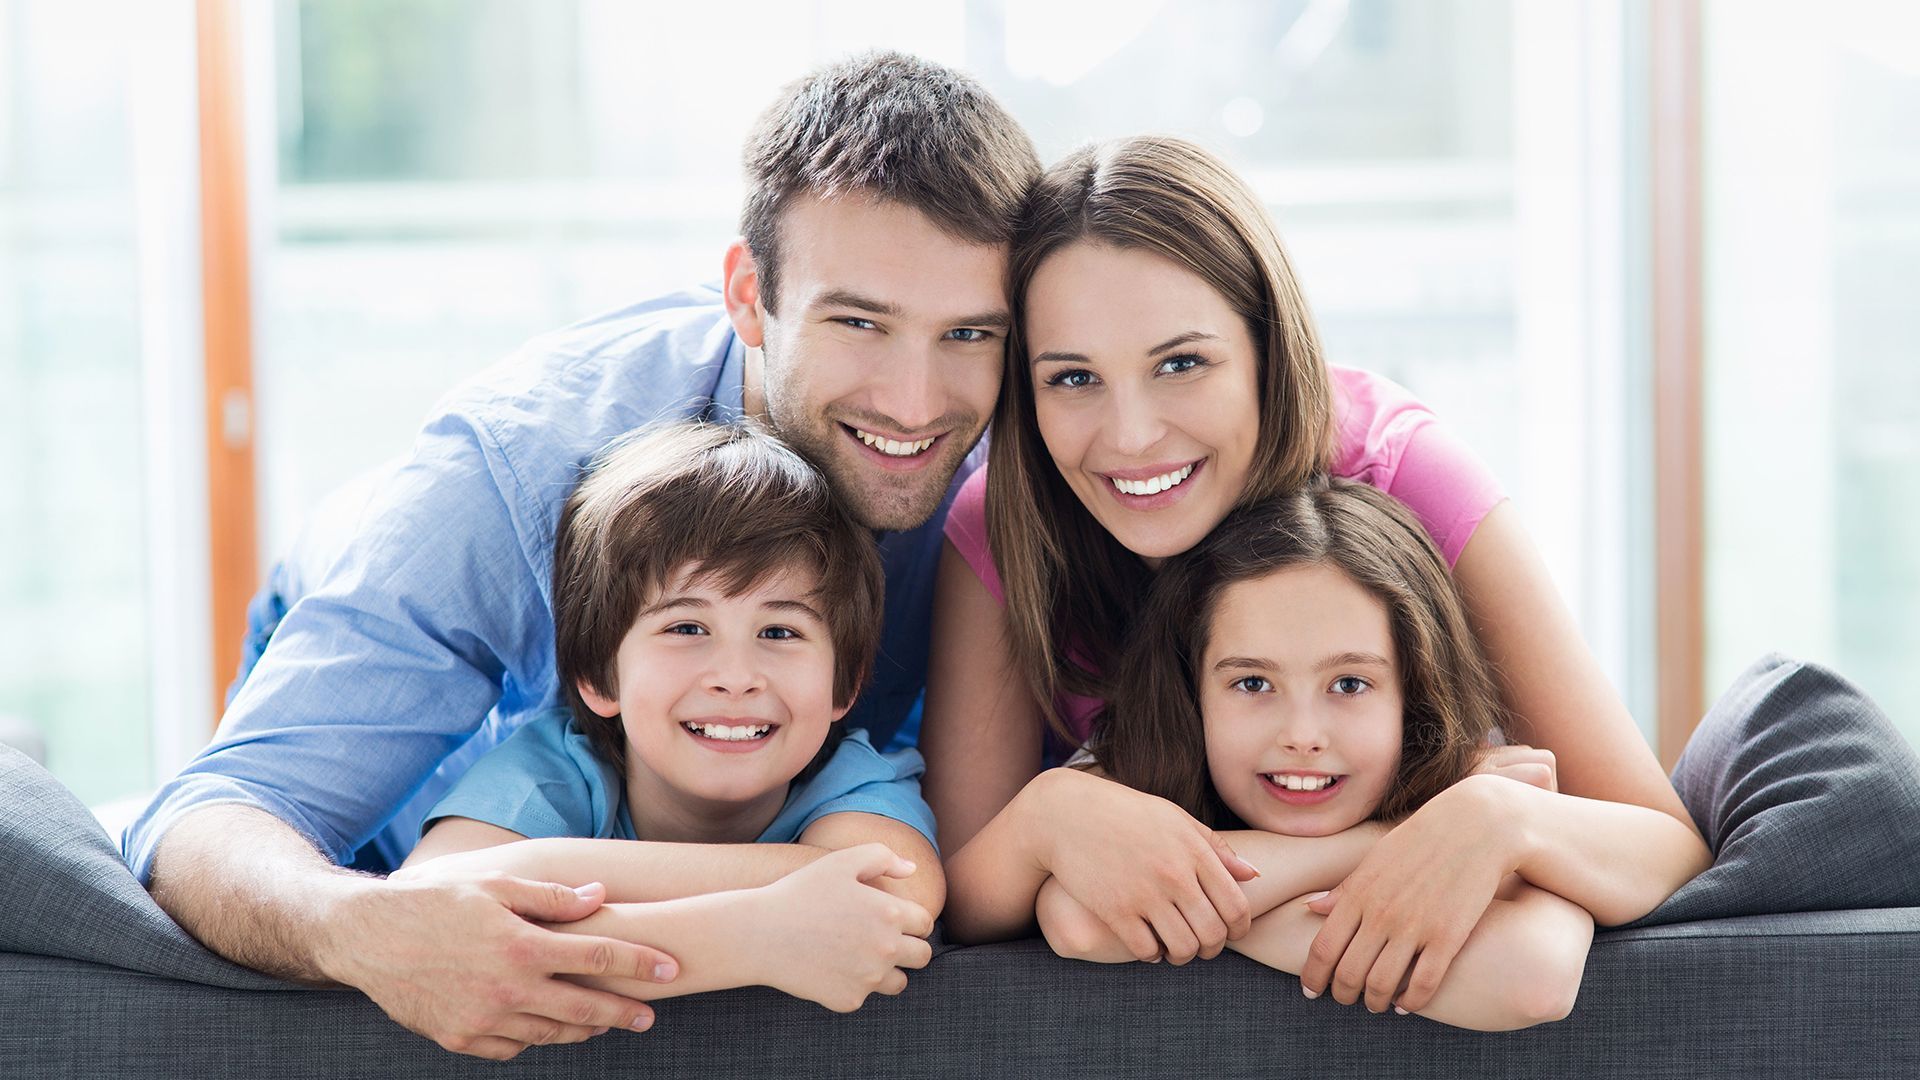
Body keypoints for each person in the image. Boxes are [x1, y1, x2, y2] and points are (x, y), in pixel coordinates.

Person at [124, 51, 1040, 1060]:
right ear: (748, 296)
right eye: (858, 321)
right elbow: (210, 823)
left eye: (968, 333)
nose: (916, 403)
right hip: (444, 738)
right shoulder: (521, 466)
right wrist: (367, 929)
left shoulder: (1028, 441)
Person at [925, 135, 1710, 1017]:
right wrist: (1047, 818)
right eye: (1073, 378)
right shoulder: (1006, 523)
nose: (1133, 434)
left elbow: (1665, 845)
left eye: (1182, 363)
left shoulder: (1399, 472)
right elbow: (965, 901)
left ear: (1266, 348)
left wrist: (1500, 821)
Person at [391, 420, 939, 1013]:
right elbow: (430, 903)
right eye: (686, 627)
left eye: (779, 631)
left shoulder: (855, 781)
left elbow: (892, 894)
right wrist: (756, 935)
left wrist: (534, 869)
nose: (736, 675)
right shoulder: (554, 771)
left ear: (845, 684)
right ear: (602, 675)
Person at [1025, 481, 1594, 1031]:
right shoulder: (1131, 774)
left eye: (1349, 685)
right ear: (1191, 695)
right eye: (1252, 684)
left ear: (1412, 695)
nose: (1302, 735)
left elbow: (1535, 975)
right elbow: (1077, 917)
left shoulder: (1478, 793)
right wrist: (1395, 838)